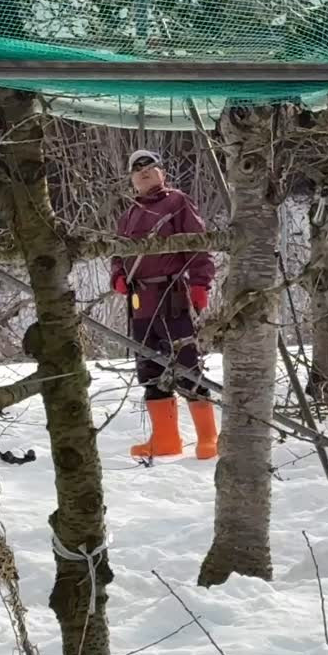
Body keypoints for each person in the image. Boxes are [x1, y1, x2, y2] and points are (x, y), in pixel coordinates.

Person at [111, 148, 218, 460]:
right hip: (139, 301)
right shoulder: (127, 215)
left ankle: (208, 437)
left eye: (150, 166)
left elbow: (198, 243)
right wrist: (117, 276)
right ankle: (166, 438)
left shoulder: (177, 202)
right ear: (131, 179)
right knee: (150, 369)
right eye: (136, 168)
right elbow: (117, 254)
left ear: (162, 173)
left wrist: (200, 283)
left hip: (171, 295)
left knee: (186, 364)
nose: (143, 171)